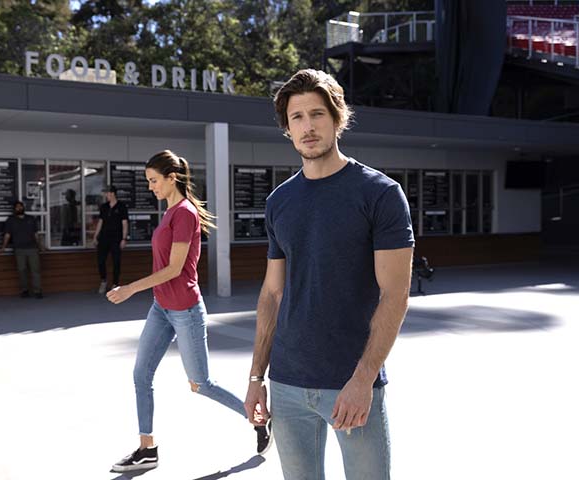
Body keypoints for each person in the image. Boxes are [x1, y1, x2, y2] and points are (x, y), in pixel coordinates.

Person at [243, 69, 414, 480]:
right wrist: (256, 376)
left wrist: (363, 380)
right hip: (286, 384)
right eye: (296, 117)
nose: (307, 126)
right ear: (287, 129)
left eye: (317, 114)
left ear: (339, 118)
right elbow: (272, 294)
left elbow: (395, 295)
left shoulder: (380, 194)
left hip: (351, 383)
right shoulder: (279, 202)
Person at [106, 150, 272, 473]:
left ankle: (257, 420)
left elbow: (174, 269)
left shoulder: (184, 214)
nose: (151, 187)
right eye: (149, 181)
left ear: (172, 178)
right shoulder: (169, 212)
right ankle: (147, 449)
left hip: (185, 310)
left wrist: (129, 289)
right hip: (161, 308)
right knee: (141, 375)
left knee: (201, 384)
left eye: (154, 181)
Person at [0, 201, 43, 299]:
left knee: (35, 270)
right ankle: (25, 290)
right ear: (14, 209)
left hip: (32, 248)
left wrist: (40, 246)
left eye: (20, 206)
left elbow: (36, 234)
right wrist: (3, 247)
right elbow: (7, 235)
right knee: (22, 270)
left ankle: (38, 291)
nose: (19, 208)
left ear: (23, 207)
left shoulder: (31, 219)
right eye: (17, 207)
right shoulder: (10, 220)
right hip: (19, 249)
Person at [93, 186, 129, 294]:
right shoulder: (104, 207)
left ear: (113, 194)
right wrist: (95, 236)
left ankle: (115, 283)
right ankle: (103, 281)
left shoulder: (121, 206)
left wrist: (124, 238)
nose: (106, 195)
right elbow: (100, 222)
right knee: (100, 261)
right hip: (104, 238)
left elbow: (125, 223)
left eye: (107, 193)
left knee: (116, 261)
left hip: (116, 238)